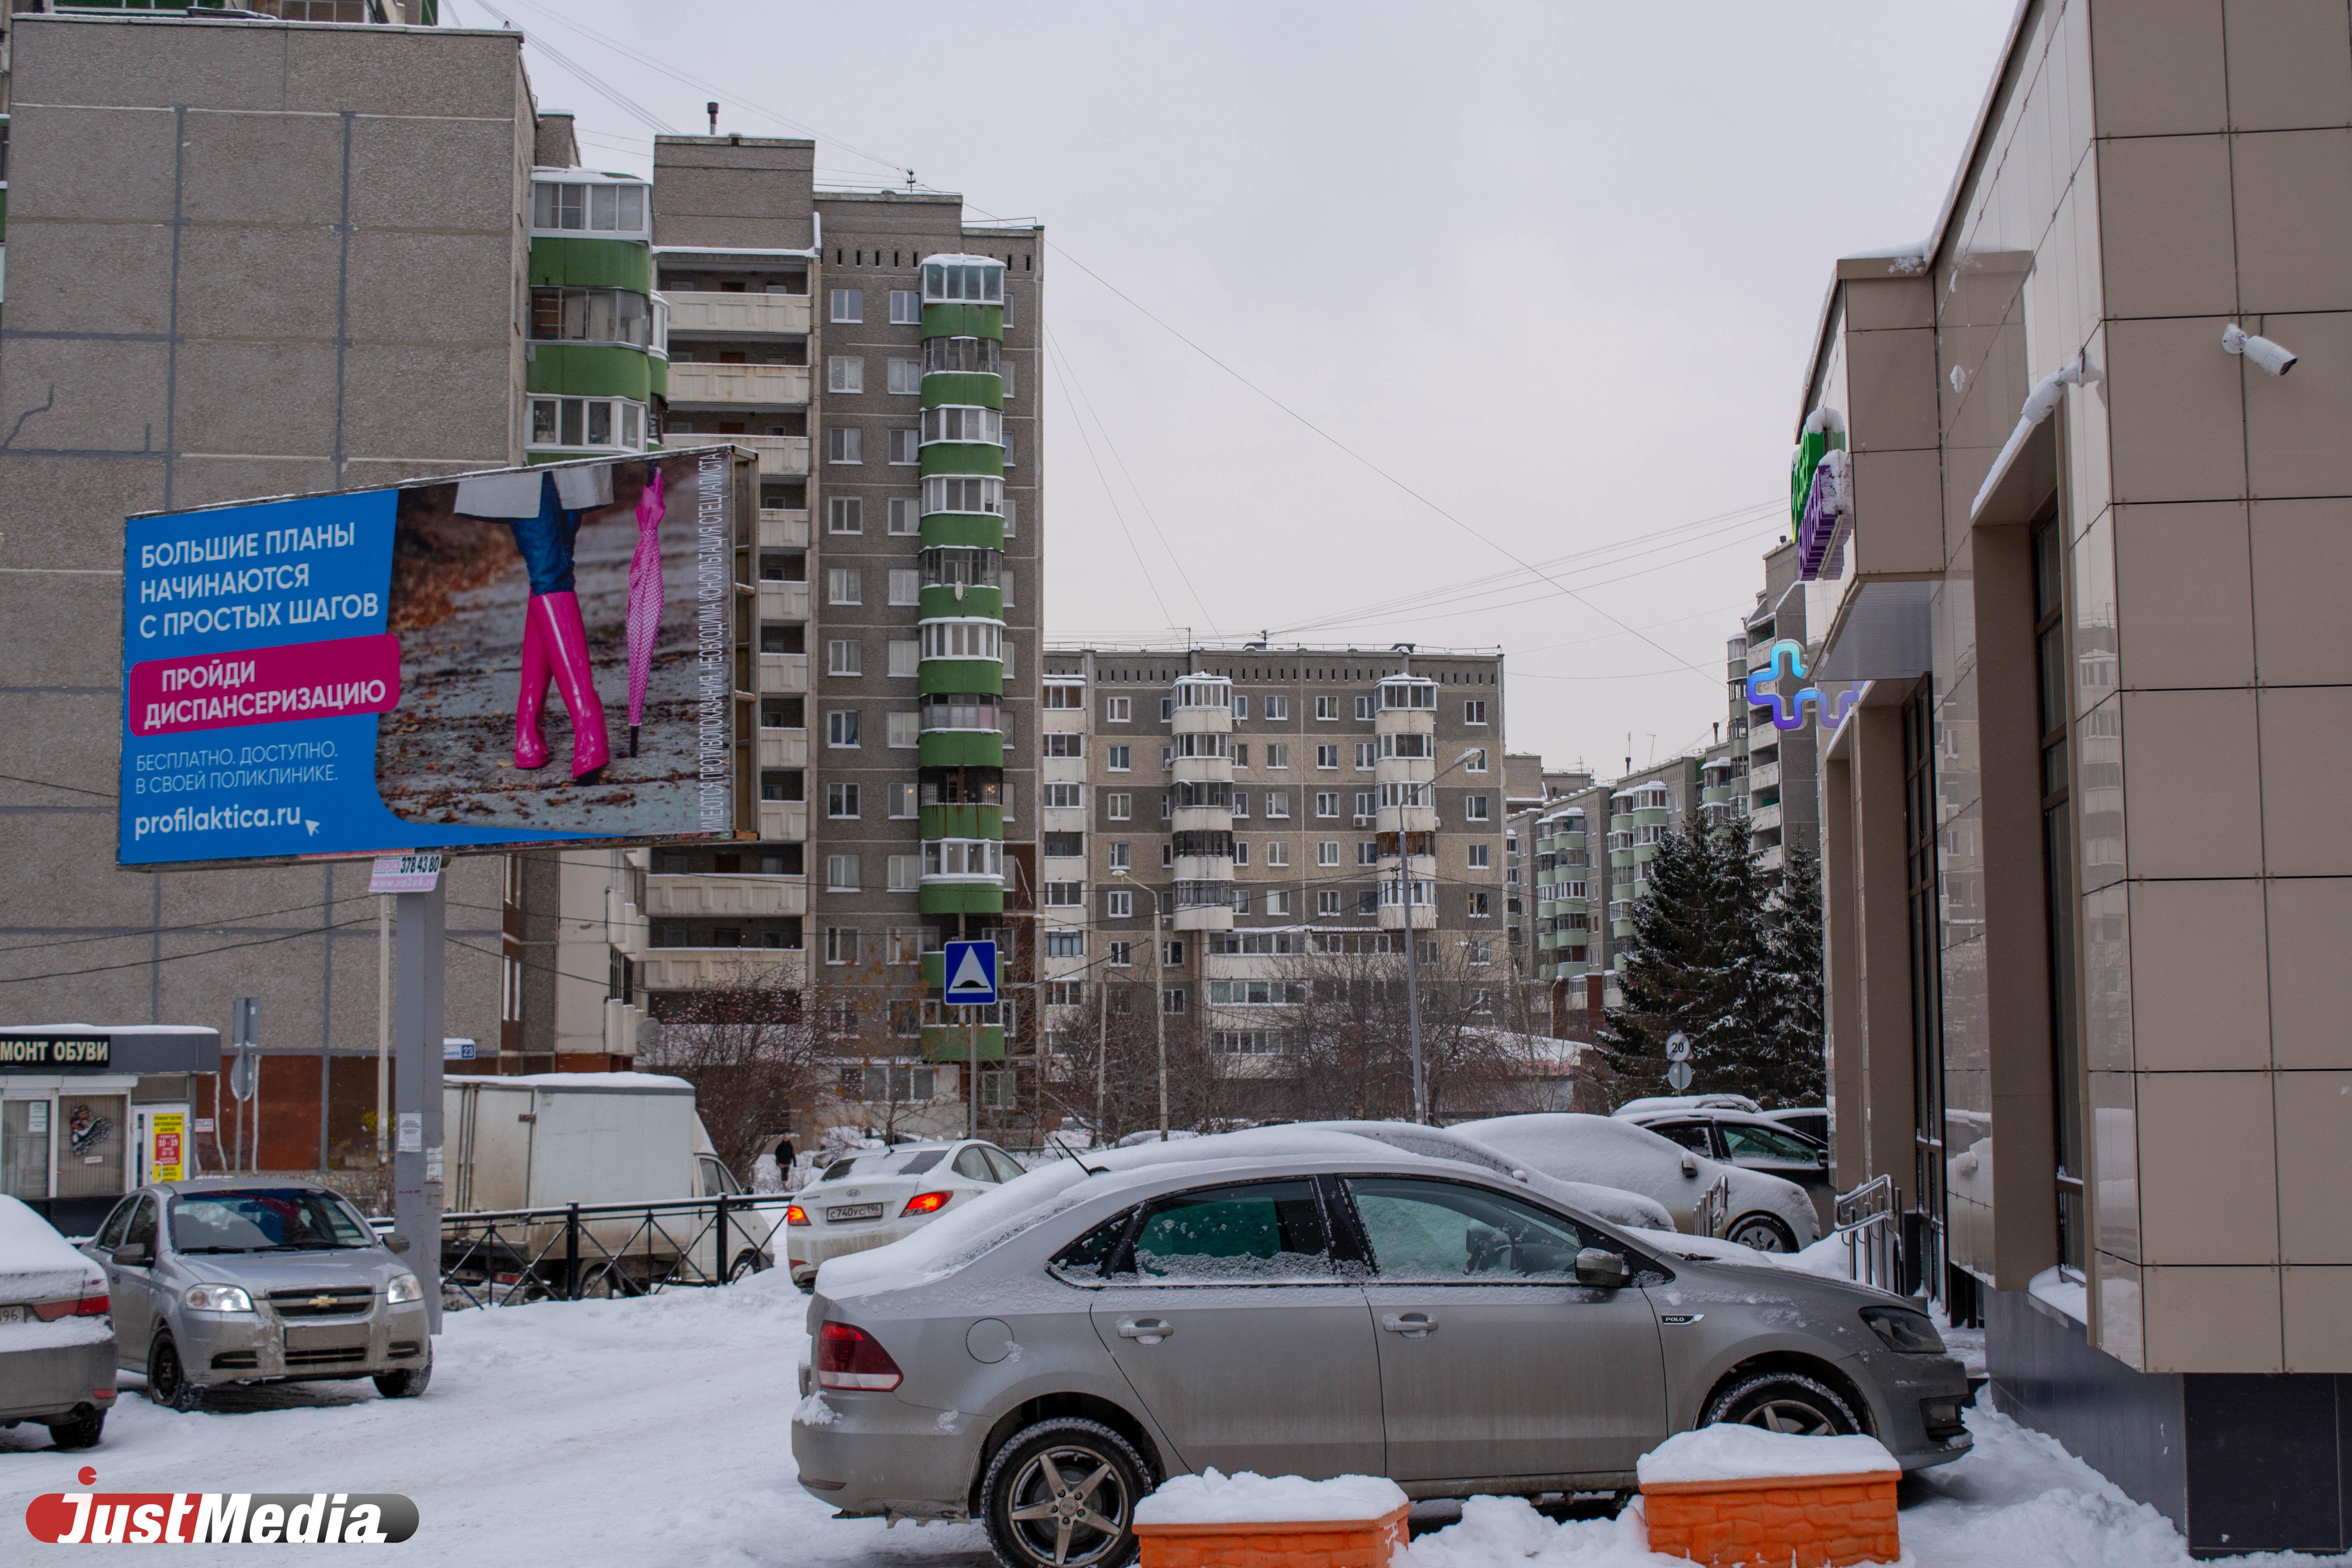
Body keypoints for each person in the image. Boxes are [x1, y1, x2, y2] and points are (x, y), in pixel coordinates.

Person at [452, 467, 614, 781]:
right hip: (519, 450)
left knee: (552, 570)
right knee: (549, 568)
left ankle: (528, 727)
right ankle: (588, 723)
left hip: (572, 453)